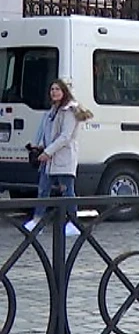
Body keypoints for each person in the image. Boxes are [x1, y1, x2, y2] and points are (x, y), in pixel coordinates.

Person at [24, 79, 94, 236]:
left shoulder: (69, 111)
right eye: (52, 89)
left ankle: (73, 222)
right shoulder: (52, 111)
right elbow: (47, 133)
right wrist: (39, 147)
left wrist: (48, 152)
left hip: (63, 158)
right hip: (49, 160)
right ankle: (37, 221)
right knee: (43, 190)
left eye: (57, 89)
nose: (54, 92)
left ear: (64, 92)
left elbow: (65, 137)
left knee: (67, 191)